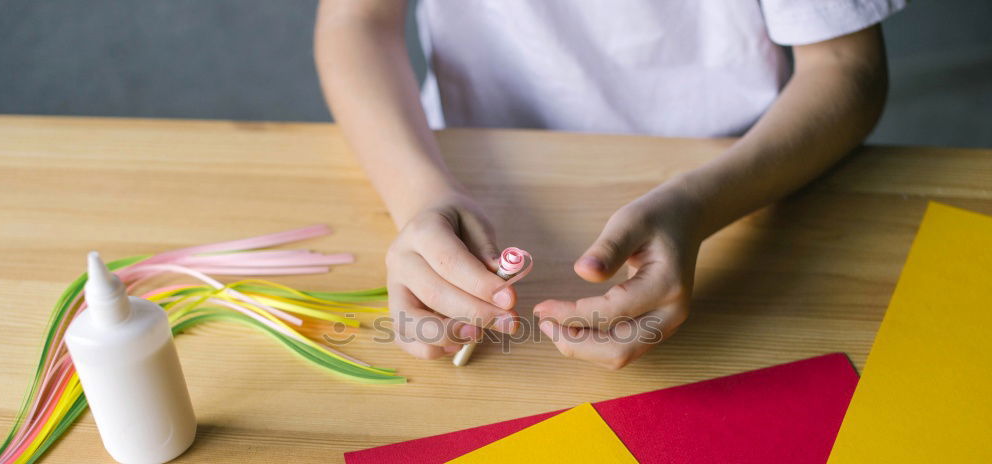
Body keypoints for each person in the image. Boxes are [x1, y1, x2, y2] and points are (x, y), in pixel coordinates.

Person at [315, 0, 902, 368]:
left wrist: (699, 205)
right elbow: (355, 17)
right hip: (465, 157)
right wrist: (419, 195)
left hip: (747, 169)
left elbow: (846, 68)